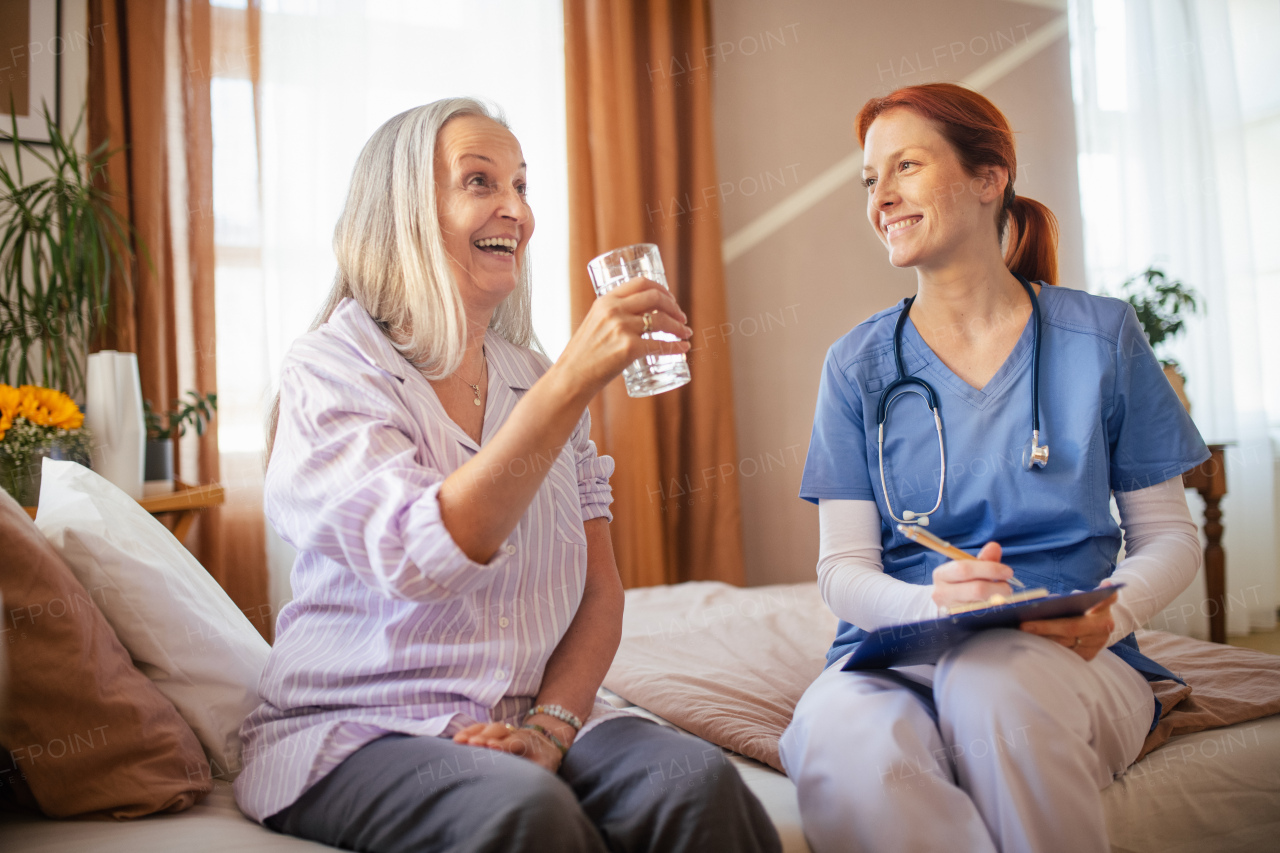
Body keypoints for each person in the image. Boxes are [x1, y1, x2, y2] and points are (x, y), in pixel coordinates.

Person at [234, 98, 780, 853]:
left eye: (522, 185)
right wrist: (575, 383)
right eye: (481, 181)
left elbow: (598, 591)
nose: (515, 209)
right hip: (367, 725)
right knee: (525, 811)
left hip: (531, 709)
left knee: (696, 782)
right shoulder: (333, 370)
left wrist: (552, 727)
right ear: (404, 212)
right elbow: (417, 552)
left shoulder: (534, 376)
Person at [778, 83, 1208, 853]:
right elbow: (843, 567)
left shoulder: (1101, 336)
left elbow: (1171, 535)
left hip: (1059, 652)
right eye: (870, 180)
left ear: (988, 177)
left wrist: (1114, 615)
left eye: (905, 166)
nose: (882, 197)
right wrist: (929, 611)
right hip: (893, 655)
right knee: (844, 741)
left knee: (990, 683)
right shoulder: (856, 365)